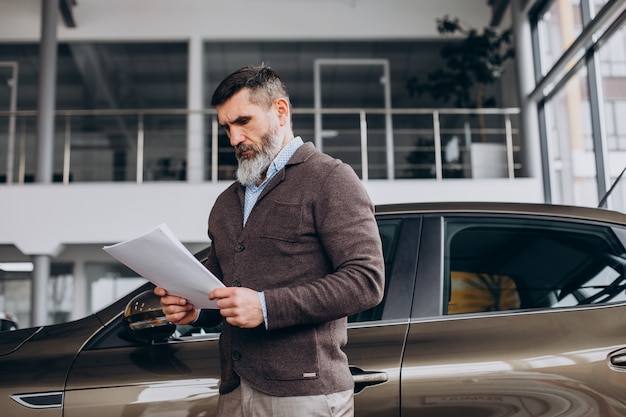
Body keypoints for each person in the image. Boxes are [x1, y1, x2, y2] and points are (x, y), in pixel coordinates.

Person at [155, 64, 385, 417]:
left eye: (243, 122)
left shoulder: (331, 179)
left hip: (305, 395)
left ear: (280, 111)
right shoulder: (226, 203)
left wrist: (265, 307)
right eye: (227, 128)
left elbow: (365, 282)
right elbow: (222, 290)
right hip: (234, 391)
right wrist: (195, 310)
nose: (234, 139)